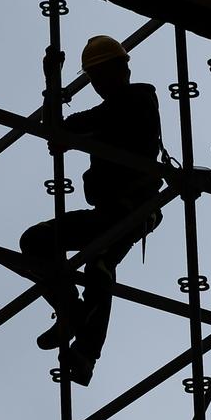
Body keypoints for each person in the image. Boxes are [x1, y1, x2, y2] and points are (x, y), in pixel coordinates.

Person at [20, 35, 163, 386]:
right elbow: (56, 132)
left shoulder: (137, 101)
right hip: (109, 212)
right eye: (94, 78)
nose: (98, 85)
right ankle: (70, 308)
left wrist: (55, 88)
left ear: (121, 69)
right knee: (35, 242)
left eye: (101, 75)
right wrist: (51, 82)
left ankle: (86, 352)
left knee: (99, 264)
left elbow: (64, 132)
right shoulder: (109, 109)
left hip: (133, 209)